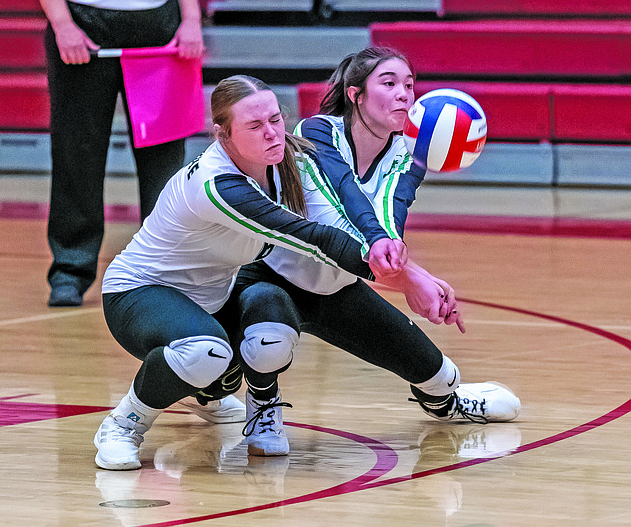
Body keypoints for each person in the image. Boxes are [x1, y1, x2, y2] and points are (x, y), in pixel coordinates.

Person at [94, 75, 411, 471]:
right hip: (138, 295)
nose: (271, 133)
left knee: (271, 313)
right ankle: (123, 425)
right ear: (223, 135)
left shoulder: (285, 162)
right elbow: (310, 237)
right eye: (255, 126)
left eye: (275, 120)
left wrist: (382, 241)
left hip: (210, 300)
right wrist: (402, 277)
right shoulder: (218, 185)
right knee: (205, 351)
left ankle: (250, 411)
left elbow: (343, 208)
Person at [231, 47, 520, 457]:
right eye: (389, 83)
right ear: (356, 95)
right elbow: (343, 214)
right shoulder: (317, 132)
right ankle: (247, 400)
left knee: (440, 376)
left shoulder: (409, 155)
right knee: (258, 344)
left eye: (409, 84)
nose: (404, 94)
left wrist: (403, 264)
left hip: (339, 287)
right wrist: (411, 279)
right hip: (270, 277)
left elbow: (389, 214)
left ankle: (447, 400)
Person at [39, 0, 205, 307]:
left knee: (163, 157)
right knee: (76, 151)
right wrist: (62, 23)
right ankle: (70, 270)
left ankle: (165, 269)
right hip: (81, 19)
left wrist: (192, 18)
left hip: (158, 23)